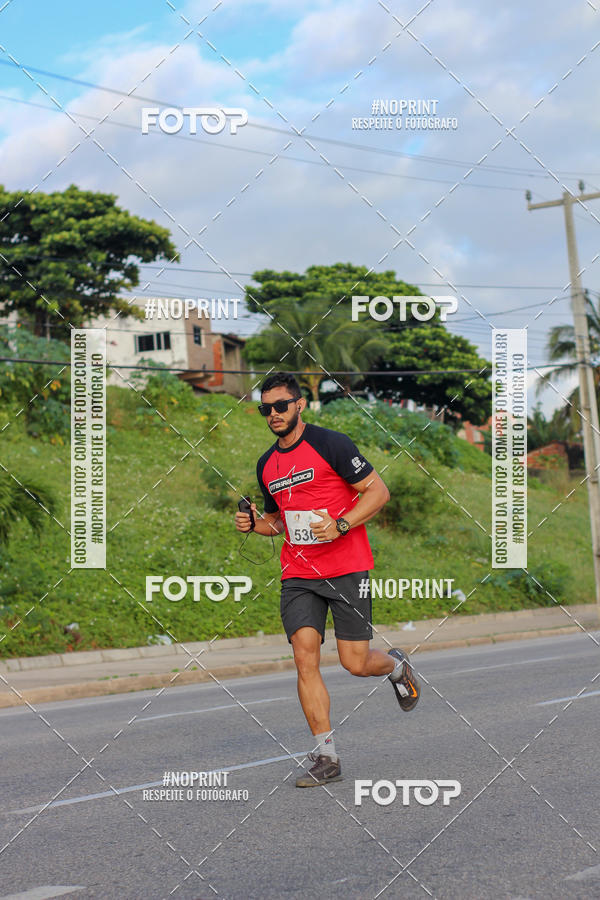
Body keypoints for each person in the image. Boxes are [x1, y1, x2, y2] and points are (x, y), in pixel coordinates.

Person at [234, 372, 420, 787]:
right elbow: (278, 522)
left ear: (300, 405)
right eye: (266, 408)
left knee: (355, 663)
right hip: (298, 573)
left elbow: (378, 493)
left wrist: (341, 523)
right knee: (304, 657)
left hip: (347, 566)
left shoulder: (331, 443)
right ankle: (326, 755)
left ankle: (396, 666)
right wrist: (252, 524)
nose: (273, 414)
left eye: (281, 405)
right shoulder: (267, 464)